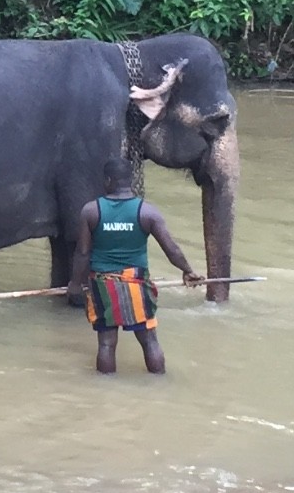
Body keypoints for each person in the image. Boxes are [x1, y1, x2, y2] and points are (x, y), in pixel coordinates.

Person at [67, 157, 203, 376]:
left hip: (103, 285)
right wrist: (188, 271)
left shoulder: (91, 211)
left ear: (108, 180)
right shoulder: (148, 212)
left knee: (106, 344)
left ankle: (105, 389)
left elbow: (82, 253)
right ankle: (159, 385)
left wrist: (75, 284)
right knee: (149, 340)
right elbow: (172, 249)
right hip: (136, 284)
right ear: (130, 181)